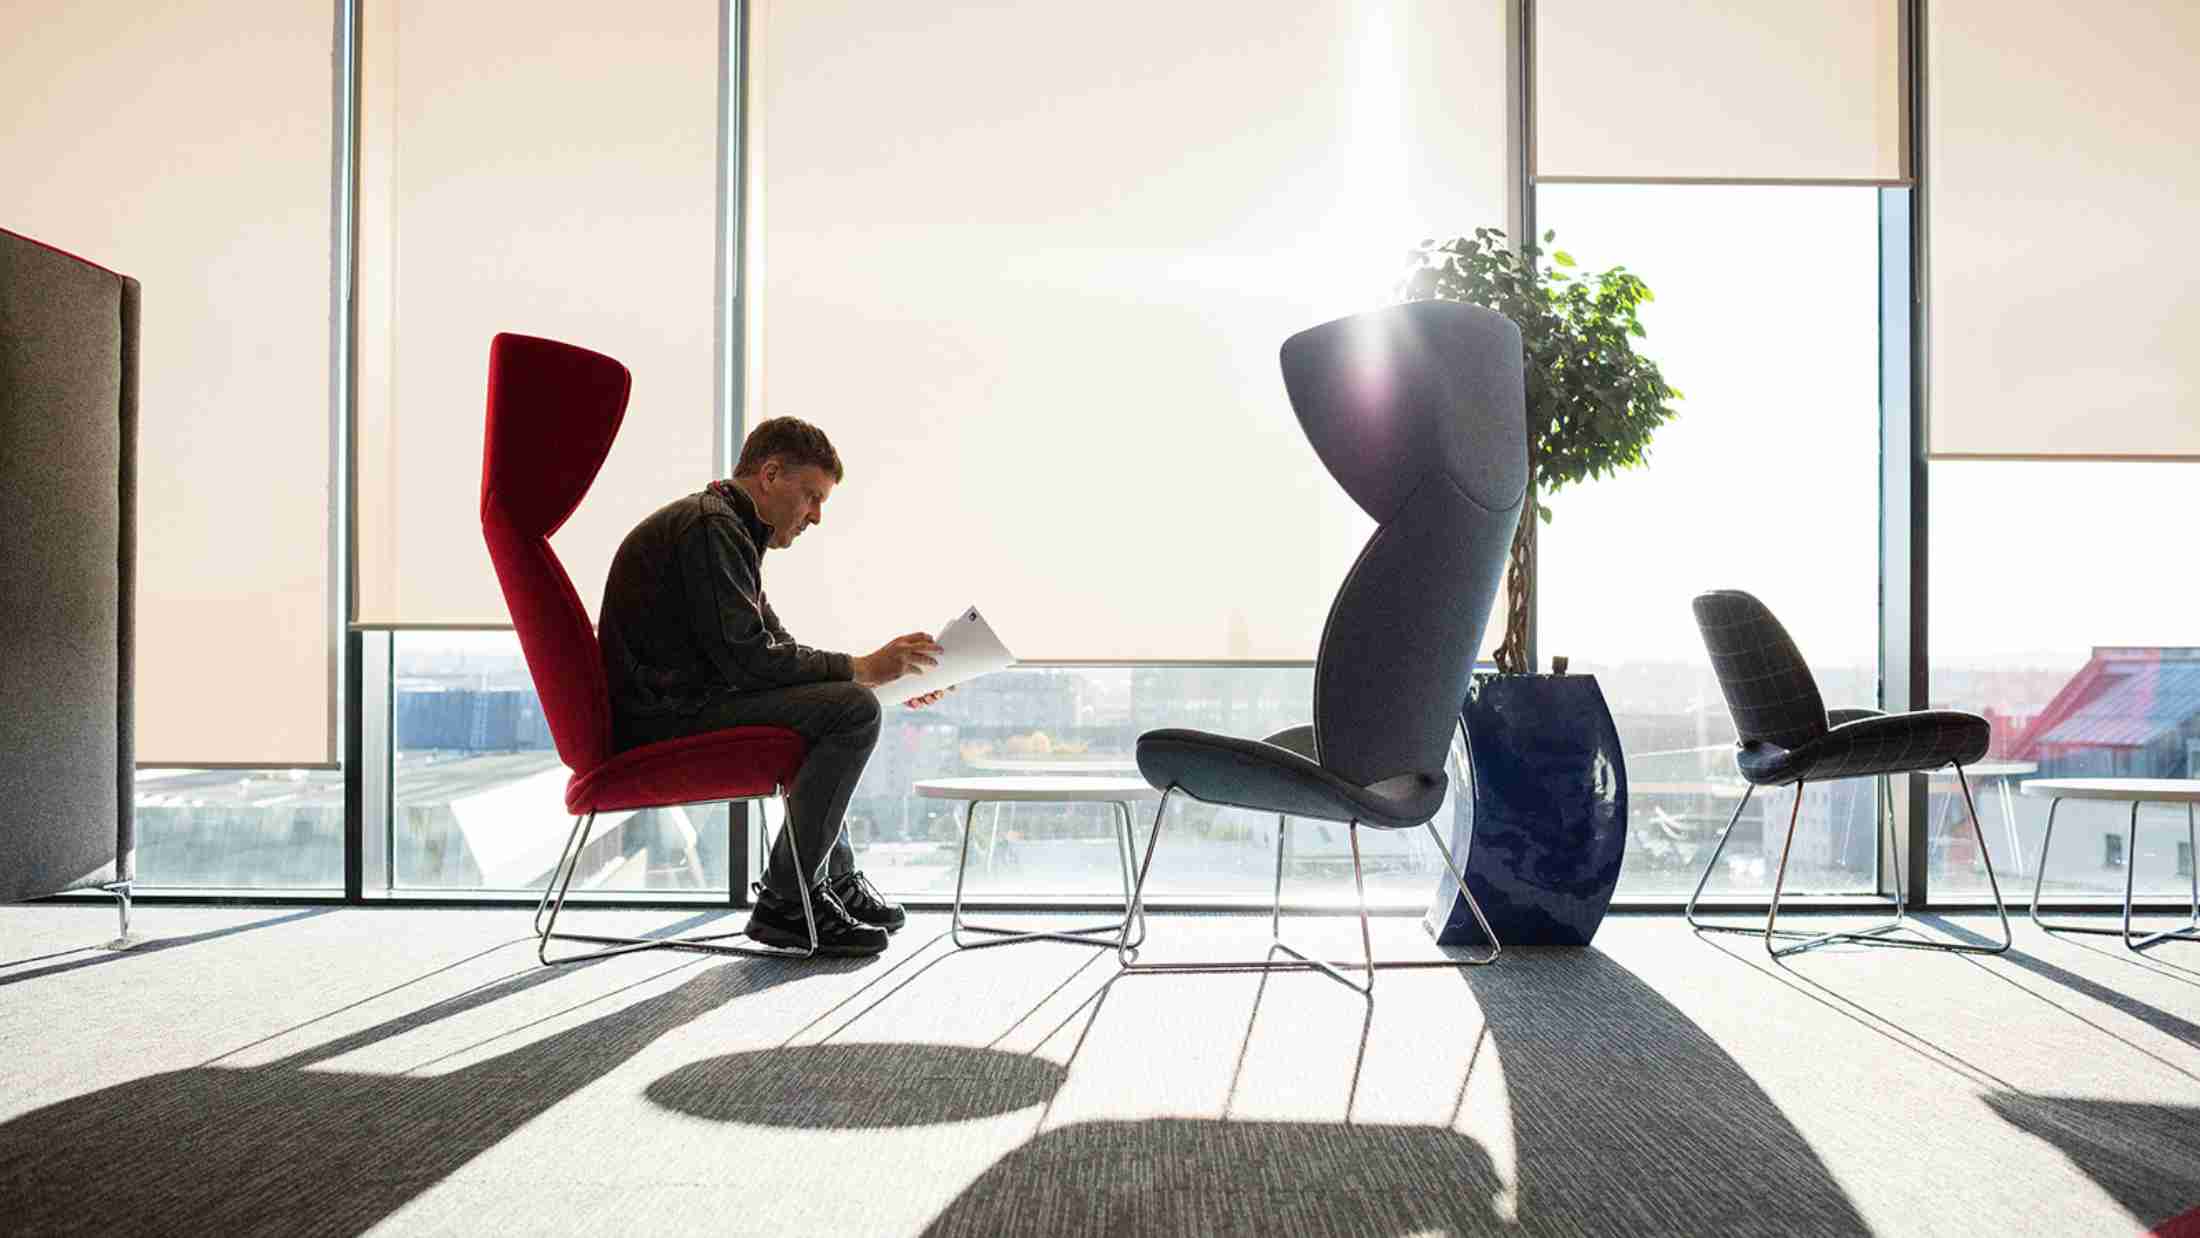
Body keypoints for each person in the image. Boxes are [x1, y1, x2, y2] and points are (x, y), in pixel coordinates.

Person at [597, 416, 946, 956]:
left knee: (849, 705)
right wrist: (862, 672)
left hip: (685, 703)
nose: (817, 517)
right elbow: (752, 663)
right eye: (811, 496)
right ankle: (788, 902)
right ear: (770, 473)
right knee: (849, 708)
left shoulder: (728, 528)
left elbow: (776, 650)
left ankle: (826, 878)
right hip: (665, 718)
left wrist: (880, 681)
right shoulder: (709, 528)